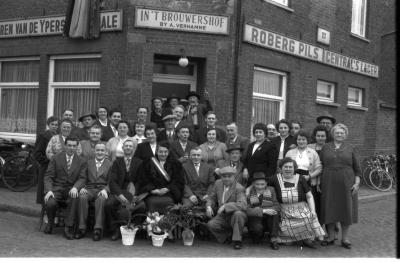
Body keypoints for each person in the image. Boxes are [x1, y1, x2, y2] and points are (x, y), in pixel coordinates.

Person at [319, 123, 361, 249]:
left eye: (342, 133)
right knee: (330, 209)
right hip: (328, 182)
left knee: (345, 209)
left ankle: (345, 238)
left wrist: (357, 183)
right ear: (333, 134)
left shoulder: (351, 148)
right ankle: (331, 237)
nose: (339, 135)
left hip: (347, 183)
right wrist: (319, 183)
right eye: (337, 132)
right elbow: (320, 165)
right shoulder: (325, 147)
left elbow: (357, 168)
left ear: (345, 135)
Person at [268, 157, 325, 248]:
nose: (288, 169)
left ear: (294, 168)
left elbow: (309, 196)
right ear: (280, 168)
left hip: (301, 208)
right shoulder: (275, 179)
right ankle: (293, 239)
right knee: (286, 234)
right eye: (285, 167)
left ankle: (306, 239)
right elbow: (261, 182)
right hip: (284, 210)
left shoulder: (301, 178)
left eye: (290, 167)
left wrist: (313, 211)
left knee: (308, 217)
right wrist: (250, 188)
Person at [43, 137, 86, 239]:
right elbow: (48, 176)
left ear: (77, 147)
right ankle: (50, 222)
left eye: (74, 146)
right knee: (50, 202)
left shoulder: (81, 161)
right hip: (57, 188)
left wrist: (76, 187)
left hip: (71, 189)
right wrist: (49, 190)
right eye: (69, 145)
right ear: (65, 146)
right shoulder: (56, 158)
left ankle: (68, 227)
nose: (71, 148)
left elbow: (83, 178)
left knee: (74, 198)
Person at [105, 139, 145, 241]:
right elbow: (112, 181)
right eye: (126, 146)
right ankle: (115, 230)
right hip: (119, 192)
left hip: (134, 192)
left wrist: (135, 194)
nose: (128, 148)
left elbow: (141, 181)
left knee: (142, 206)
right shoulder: (116, 162)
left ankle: (133, 227)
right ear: (122, 148)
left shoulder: (139, 162)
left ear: (134, 148)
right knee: (109, 205)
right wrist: (120, 195)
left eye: (130, 146)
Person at [74, 143, 112, 241]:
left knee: (101, 199)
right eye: (98, 150)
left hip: (102, 189)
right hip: (89, 188)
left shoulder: (110, 164)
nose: (100, 152)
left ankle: (97, 229)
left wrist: (106, 190)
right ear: (94, 151)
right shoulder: (88, 163)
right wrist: (82, 187)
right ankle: (81, 228)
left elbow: (112, 181)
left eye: (102, 150)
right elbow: (83, 178)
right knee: (82, 197)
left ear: (106, 152)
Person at [206, 166, 247, 250]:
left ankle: (237, 241)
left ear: (234, 177)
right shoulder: (218, 183)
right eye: (224, 176)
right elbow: (211, 197)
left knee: (238, 214)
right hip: (223, 216)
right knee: (211, 225)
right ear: (221, 177)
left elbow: (243, 204)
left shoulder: (239, 188)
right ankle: (228, 236)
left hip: (235, 215)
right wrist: (209, 206)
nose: (226, 179)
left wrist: (226, 206)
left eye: (229, 176)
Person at [136, 142, 185, 213]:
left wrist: (167, 188)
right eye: (161, 152)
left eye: (165, 152)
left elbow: (178, 180)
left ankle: (169, 221)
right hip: (152, 192)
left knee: (169, 202)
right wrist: (153, 190)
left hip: (169, 192)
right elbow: (143, 179)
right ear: (156, 152)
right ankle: (151, 221)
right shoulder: (147, 163)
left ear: (168, 152)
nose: (163, 154)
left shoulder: (175, 164)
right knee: (151, 202)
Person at [285, 130, 322, 221]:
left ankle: (311, 228)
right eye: (299, 139)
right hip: (293, 182)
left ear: (307, 140)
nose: (301, 141)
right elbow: (284, 167)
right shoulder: (290, 152)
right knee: (295, 205)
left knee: (310, 206)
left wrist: (310, 176)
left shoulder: (313, 153)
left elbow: (319, 168)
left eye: (303, 139)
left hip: (308, 182)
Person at [246, 172, 280, 249]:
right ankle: (258, 234)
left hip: (268, 218)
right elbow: (247, 210)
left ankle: (273, 239)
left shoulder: (271, 190)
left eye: (262, 184)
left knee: (275, 213)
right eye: (257, 184)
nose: (260, 187)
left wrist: (267, 210)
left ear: (266, 184)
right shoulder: (248, 193)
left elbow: (277, 206)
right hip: (255, 219)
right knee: (256, 239)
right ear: (253, 184)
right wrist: (263, 211)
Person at [34, 116, 59, 205]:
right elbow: (37, 154)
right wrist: (47, 161)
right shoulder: (43, 136)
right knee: (44, 189)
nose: (54, 126)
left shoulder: (58, 137)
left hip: (56, 168)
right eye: (52, 124)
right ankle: (42, 213)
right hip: (46, 167)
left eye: (56, 125)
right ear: (48, 125)